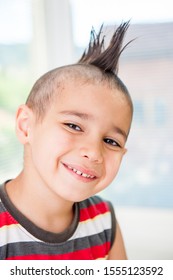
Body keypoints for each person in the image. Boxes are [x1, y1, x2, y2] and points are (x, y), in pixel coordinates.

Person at [0, 21, 133, 260]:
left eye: (111, 141)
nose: (94, 152)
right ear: (25, 125)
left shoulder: (104, 221)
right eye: (73, 126)